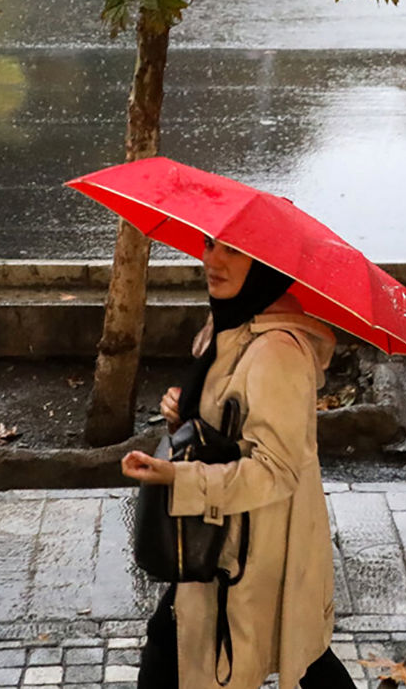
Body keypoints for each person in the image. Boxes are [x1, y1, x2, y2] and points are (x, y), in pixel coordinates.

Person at [120, 237, 356, 689]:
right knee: (294, 651)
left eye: (233, 250)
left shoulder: (276, 352)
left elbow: (277, 469)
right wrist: (183, 415)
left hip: (256, 544)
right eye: (210, 245)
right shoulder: (229, 326)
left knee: (285, 650)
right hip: (226, 532)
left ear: (265, 263)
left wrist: (178, 475)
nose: (212, 260)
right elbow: (227, 427)